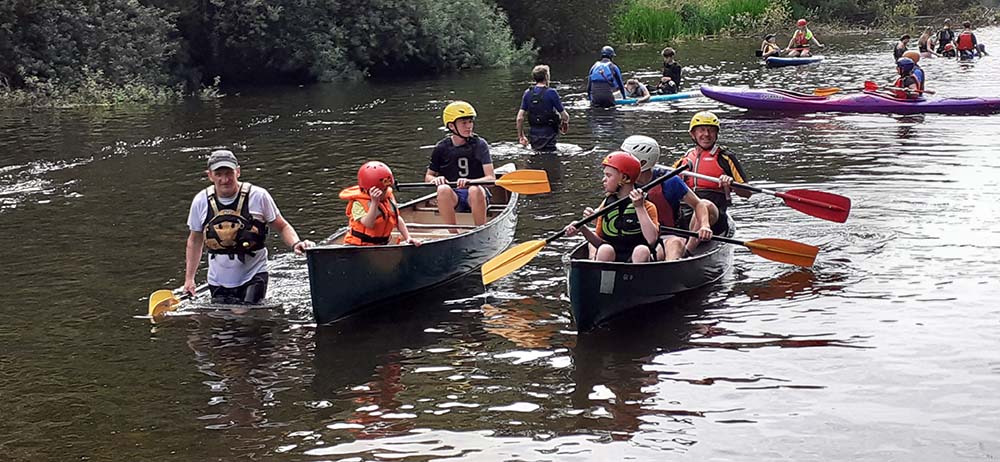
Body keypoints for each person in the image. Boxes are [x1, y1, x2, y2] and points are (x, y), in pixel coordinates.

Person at [184, 149, 314, 304]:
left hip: (254, 274)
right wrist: (189, 279)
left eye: (229, 173)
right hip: (217, 279)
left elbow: (282, 226)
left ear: (238, 172)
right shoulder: (200, 201)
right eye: (218, 174)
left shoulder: (259, 196)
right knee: (222, 318)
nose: (224, 180)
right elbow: (195, 240)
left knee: (245, 314)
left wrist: (295, 243)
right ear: (210, 175)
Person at [620, 135, 713, 260]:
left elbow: (699, 204)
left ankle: (679, 259)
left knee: (675, 243)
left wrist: (705, 226)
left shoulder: (669, 180)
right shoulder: (621, 181)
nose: (620, 162)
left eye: (626, 158)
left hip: (669, 235)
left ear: (642, 162)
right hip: (634, 236)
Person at [564, 152, 660, 262]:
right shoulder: (606, 204)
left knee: (641, 250)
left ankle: (637, 273)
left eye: (608, 176)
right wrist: (582, 228)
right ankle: (602, 273)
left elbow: (652, 240)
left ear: (624, 178)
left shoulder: (647, 206)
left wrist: (639, 207)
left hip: (637, 259)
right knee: (605, 250)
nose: (603, 180)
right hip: (611, 258)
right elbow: (599, 242)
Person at [671, 112, 751, 236]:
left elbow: (747, 193)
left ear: (716, 134)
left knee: (704, 205)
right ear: (693, 134)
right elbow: (664, 183)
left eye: (711, 130)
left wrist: (731, 184)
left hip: (714, 215)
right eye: (702, 130)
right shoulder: (684, 160)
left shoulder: (725, 158)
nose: (707, 134)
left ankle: (689, 246)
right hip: (685, 213)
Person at [426, 101, 495, 226]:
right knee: (442, 189)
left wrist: (471, 181)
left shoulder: (480, 144)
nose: (469, 126)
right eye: (464, 123)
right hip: (454, 196)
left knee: (474, 189)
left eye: (470, 122)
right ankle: (453, 232)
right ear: (451, 126)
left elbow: (491, 178)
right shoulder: (441, 147)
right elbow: (428, 177)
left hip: (478, 195)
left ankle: (480, 228)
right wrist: (436, 179)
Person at [340, 161, 420, 247]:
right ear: (368, 189)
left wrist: (408, 237)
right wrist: (375, 202)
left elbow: (396, 218)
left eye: (386, 189)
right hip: (360, 245)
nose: (384, 193)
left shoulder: (388, 196)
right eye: (381, 190)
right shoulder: (358, 203)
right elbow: (368, 224)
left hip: (382, 244)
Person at [516, 64, 570, 152]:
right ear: (546, 77)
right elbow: (565, 116)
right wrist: (565, 123)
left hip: (533, 135)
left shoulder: (527, 93)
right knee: (550, 154)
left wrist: (521, 136)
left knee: (536, 152)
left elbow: (519, 118)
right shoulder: (552, 93)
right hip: (549, 135)